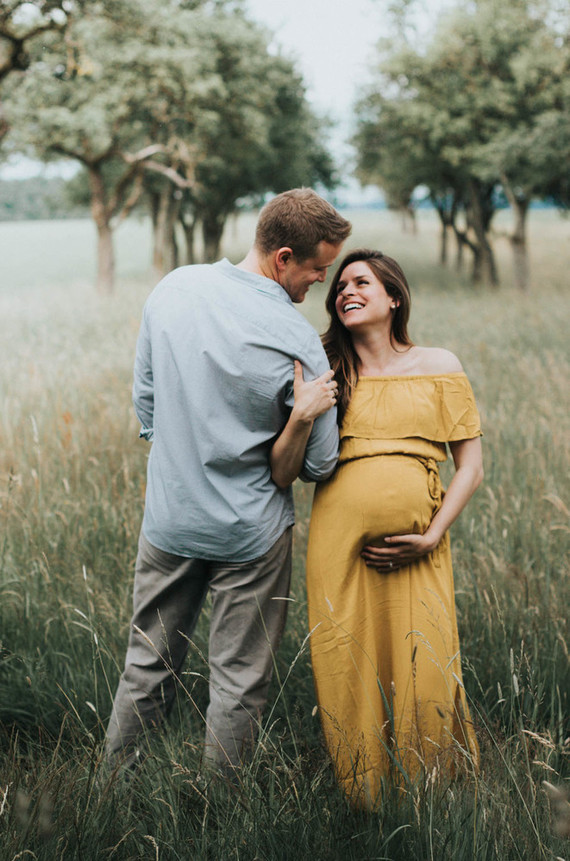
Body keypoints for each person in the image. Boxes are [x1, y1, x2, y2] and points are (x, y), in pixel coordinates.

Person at [105, 188, 351, 774]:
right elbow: (319, 465)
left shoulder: (172, 289)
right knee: (239, 676)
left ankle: (112, 788)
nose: (321, 282)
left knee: (147, 661)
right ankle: (221, 810)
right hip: (251, 535)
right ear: (283, 257)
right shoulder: (295, 342)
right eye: (318, 269)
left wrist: (185, 461)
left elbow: (147, 405)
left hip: (169, 520)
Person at [271, 248, 483, 808]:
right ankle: (365, 795)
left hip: (422, 544)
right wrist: (301, 414)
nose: (344, 291)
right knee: (351, 662)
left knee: (426, 661)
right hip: (339, 546)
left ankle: (434, 794)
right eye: (338, 286)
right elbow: (283, 472)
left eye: (359, 282)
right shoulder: (322, 369)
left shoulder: (441, 364)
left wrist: (434, 534)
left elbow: (471, 467)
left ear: (394, 297)